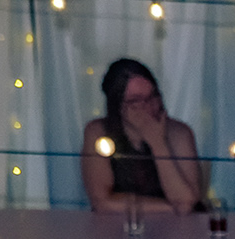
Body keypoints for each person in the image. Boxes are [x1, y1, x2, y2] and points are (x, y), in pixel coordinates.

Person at [80, 59, 205, 214]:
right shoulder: (98, 132)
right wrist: (172, 207)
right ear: (117, 106)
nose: (149, 106)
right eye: (136, 101)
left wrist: (157, 143)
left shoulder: (179, 133)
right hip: (116, 227)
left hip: (176, 229)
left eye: (153, 96)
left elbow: (186, 202)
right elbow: (102, 202)